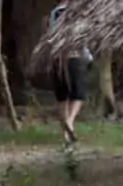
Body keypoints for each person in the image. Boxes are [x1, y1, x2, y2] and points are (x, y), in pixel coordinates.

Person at [46, 1, 92, 143]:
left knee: (62, 96)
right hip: (74, 56)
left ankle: (66, 130)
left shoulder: (55, 13)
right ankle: (70, 122)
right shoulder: (80, 12)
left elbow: (51, 36)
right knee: (79, 95)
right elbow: (81, 37)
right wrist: (89, 57)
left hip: (57, 57)